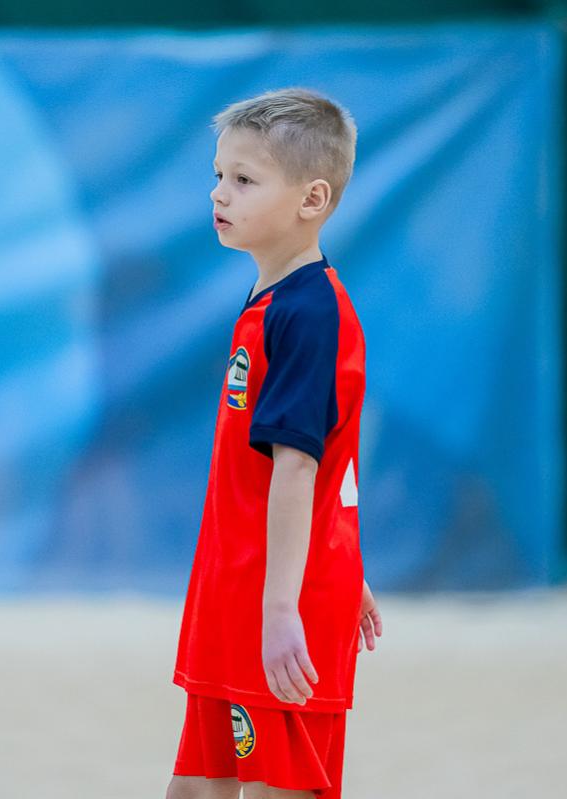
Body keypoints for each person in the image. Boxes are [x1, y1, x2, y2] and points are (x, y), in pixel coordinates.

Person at [166, 88, 382, 799]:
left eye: (243, 179)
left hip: (275, 606)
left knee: (274, 790)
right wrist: (340, 562)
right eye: (219, 174)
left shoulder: (311, 314)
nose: (218, 192)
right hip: (234, 593)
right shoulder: (271, 302)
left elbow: (299, 467)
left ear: (311, 199)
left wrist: (288, 606)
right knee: (196, 787)